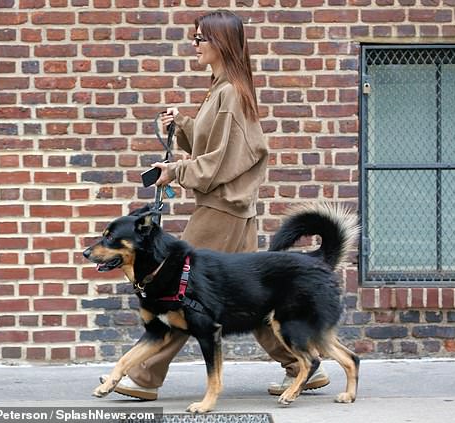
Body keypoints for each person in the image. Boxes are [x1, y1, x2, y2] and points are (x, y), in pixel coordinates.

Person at [105, 9, 328, 400]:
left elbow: (218, 164)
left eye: (199, 39)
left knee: (176, 288)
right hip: (233, 210)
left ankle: (145, 376)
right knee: (252, 295)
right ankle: (300, 366)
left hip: (222, 210)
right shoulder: (222, 88)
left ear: (219, 43)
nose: (193, 45)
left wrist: (173, 171)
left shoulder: (230, 93)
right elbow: (216, 147)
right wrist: (186, 124)